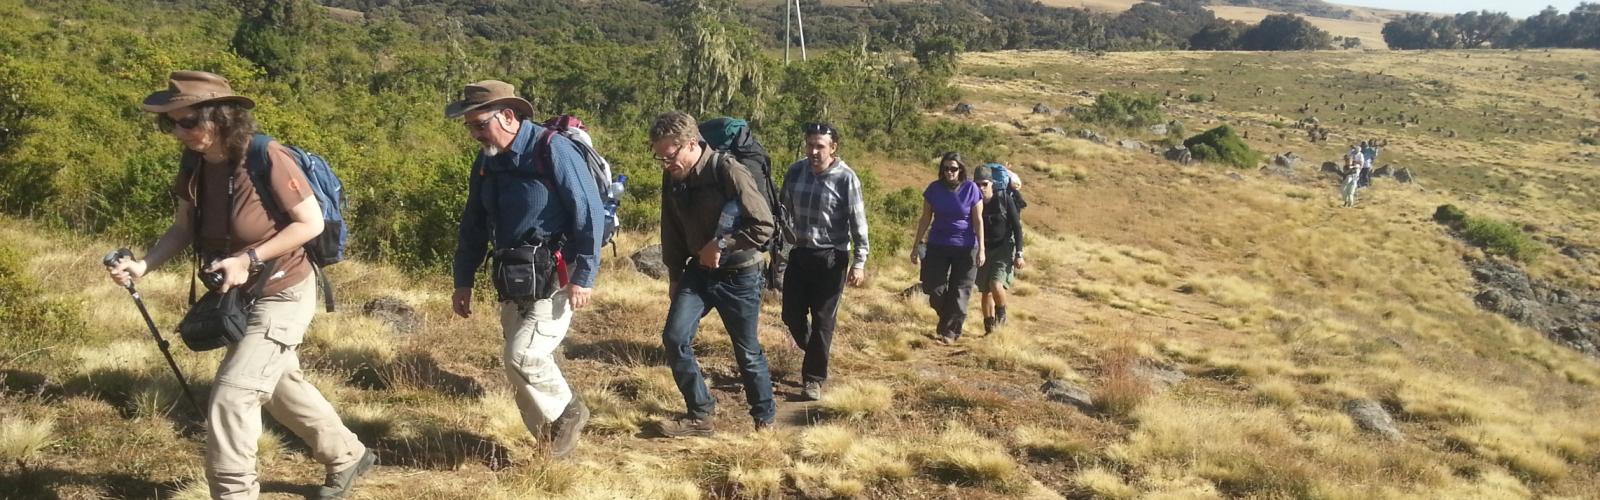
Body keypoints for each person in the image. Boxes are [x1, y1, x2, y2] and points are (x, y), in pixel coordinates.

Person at [106, 71, 375, 500]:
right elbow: (182, 228)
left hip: (284, 289)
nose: (178, 132)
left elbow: (309, 223)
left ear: (221, 117)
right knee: (280, 387)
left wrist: (248, 259)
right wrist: (143, 266)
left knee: (233, 397)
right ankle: (348, 455)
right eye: (169, 122)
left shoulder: (267, 157)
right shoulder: (194, 163)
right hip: (238, 296)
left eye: (188, 121)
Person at [447, 80, 605, 459]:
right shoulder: (487, 161)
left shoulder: (553, 150)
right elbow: (473, 223)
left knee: (524, 356)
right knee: (514, 363)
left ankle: (569, 414)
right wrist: (463, 280)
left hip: (557, 273)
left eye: (479, 125)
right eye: (469, 127)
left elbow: (589, 214)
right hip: (512, 275)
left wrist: (584, 276)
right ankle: (551, 446)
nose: (475, 135)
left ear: (508, 115)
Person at [651, 111, 778, 436]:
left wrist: (722, 243)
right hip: (698, 272)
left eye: (670, 156)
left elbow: (764, 225)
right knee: (674, 338)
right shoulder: (673, 176)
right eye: (660, 158)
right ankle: (700, 414)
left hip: (741, 274)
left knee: (746, 351)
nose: (666, 164)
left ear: (692, 144)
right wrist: (675, 276)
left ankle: (765, 419)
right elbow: (671, 228)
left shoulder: (728, 170)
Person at [779, 122, 869, 401]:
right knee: (791, 315)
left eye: (820, 146)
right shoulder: (796, 171)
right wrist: (776, 246)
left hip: (831, 257)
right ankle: (817, 352)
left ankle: (813, 379)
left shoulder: (846, 178)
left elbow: (858, 221)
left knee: (823, 319)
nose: (814, 151)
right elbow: (782, 212)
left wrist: (859, 261)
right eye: (810, 145)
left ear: (833, 148)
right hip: (800, 253)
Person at [911, 152, 985, 344]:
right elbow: (925, 218)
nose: (949, 172)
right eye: (945, 168)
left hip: (966, 247)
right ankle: (947, 320)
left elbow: (978, 220)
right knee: (933, 288)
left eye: (953, 168)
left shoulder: (971, 189)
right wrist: (916, 245)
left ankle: (951, 332)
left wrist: (982, 248)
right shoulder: (934, 189)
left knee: (960, 291)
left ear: (960, 169)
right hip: (938, 244)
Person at [974, 164, 1025, 335]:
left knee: (995, 284)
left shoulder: (1004, 199)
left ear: (992, 183)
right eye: (977, 184)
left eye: (984, 184)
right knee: (985, 291)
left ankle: (1001, 320)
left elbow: (1017, 227)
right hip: (983, 250)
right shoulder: (974, 202)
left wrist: (1019, 253)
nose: (981, 188)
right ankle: (989, 330)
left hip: (1003, 248)